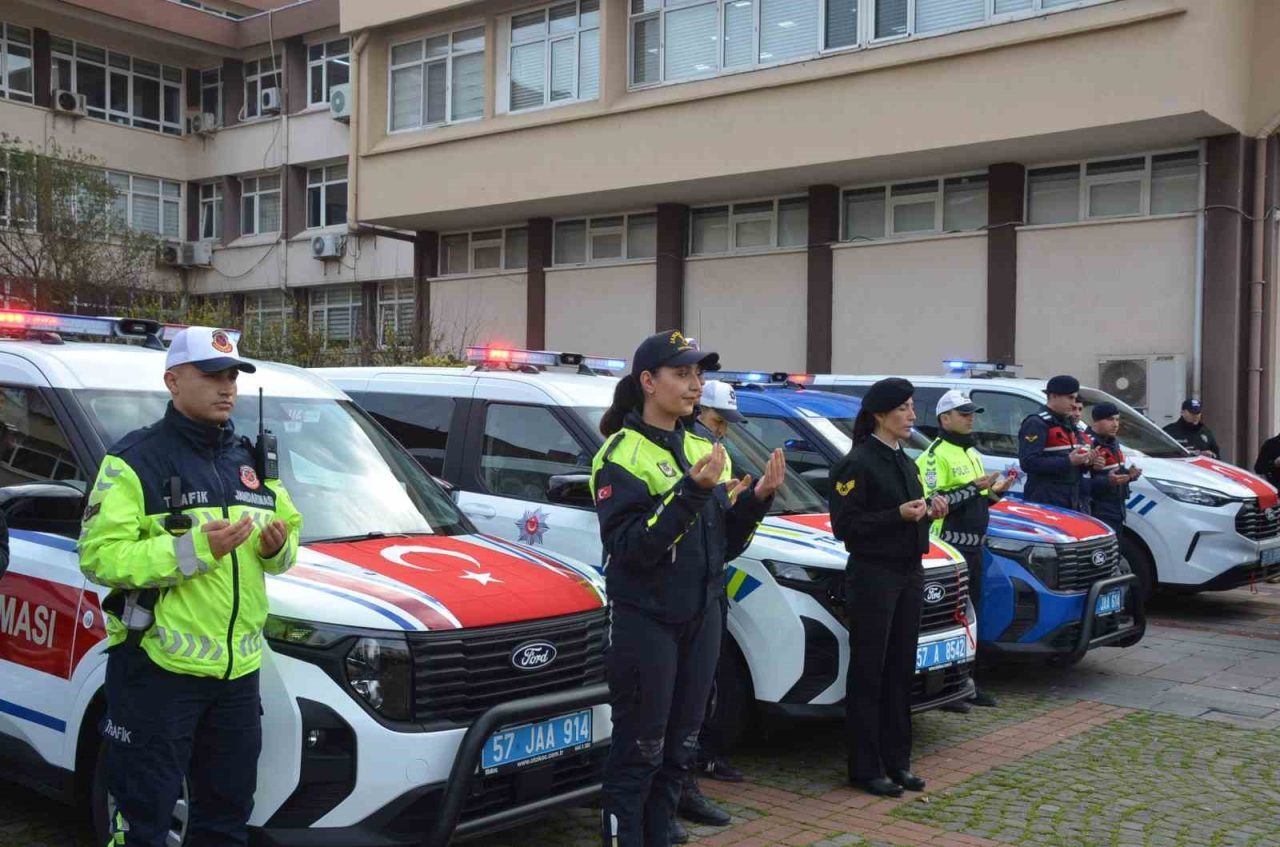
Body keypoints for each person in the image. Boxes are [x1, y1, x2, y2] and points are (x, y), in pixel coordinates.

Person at [79, 327, 303, 847]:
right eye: (211, 375)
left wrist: (274, 549)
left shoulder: (251, 462)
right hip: (158, 674)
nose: (226, 387)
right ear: (173, 381)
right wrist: (195, 551)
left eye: (232, 376)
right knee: (143, 821)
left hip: (238, 677)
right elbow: (98, 556)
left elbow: (289, 544)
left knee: (225, 819)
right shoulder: (134, 461)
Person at [591, 331, 785, 847]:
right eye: (682, 373)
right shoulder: (620, 453)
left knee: (681, 745)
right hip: (646, 620)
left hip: (702, 615)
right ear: (648, 382)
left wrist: (757, 500)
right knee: (641, 748)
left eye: (699, 374)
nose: (695, 384)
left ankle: (662, 833)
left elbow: (723, 546)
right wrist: (691, 491)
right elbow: (633, 549)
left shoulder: (704, 446)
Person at [829, 378, 947, 798]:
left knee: (901, 669)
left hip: (909, 573)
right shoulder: (858, 462)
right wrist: (896, 515)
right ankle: (865, 766)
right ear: (880, 414)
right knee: (870, 671)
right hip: (874, 575)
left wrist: (930, 512)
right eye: (904, 409)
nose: (912, 416)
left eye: (913, 407)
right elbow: (847, 527)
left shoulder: (906, 460)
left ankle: (898, 761)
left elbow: (907, 517)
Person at [918, 390, 1014, 712]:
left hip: (974, 549)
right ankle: (943, 689)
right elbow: (934, 505)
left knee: (971, 619)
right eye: (963, 413)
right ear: (945, 419)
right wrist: (975, 487)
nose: (971, 418)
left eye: (972, 413)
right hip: (949, 549)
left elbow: (973, 501)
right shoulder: (934, 455)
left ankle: (965, 685)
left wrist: (994, 494)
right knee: (947, 620)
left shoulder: (970, 452)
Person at [1018, 375, 1094, 512]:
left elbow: (1072, 463)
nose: (1073, 403)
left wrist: (1086, 463)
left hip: (1071, 498)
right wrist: (1068, 461)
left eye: (1075, 398)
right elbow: (1028, 462)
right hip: (1046, 499)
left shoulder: (1068, 423)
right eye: (1070, 398)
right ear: (1053, 396)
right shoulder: (1036, 423)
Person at [1087, 402, 1142, 534]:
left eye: (1117, 420)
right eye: (1110, 419)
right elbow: (1081, 482)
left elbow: (1114, 473)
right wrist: (1108, 481)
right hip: (1097, 512)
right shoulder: (1088, 443)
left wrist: (1129, 475)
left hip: (1116, 509)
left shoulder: (1113, 442)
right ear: (1096, 421)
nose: (1115, 424)